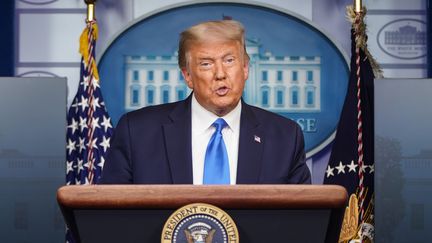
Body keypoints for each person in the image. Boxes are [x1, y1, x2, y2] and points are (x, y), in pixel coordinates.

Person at [100, 20, 311, 184]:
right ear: (188, 76)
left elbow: (301, 223)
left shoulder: (285, 137)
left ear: (245, 68)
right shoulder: (137, 132)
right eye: (206, 64)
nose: (221, 74)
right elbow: (112, 218)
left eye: (229, 60)